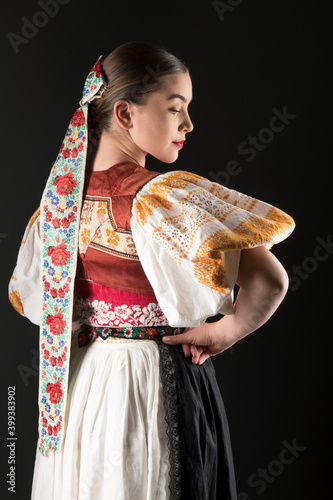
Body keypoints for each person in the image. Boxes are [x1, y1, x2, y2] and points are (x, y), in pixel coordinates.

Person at [8, 41, 295, 500]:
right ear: (124, 114)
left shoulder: (58, 205)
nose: (188, 124)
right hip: (153, 380)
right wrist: (226, 332)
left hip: (85, 386)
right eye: (175, 108)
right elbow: (270, 282)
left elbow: (36, 302)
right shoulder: (162, 198)